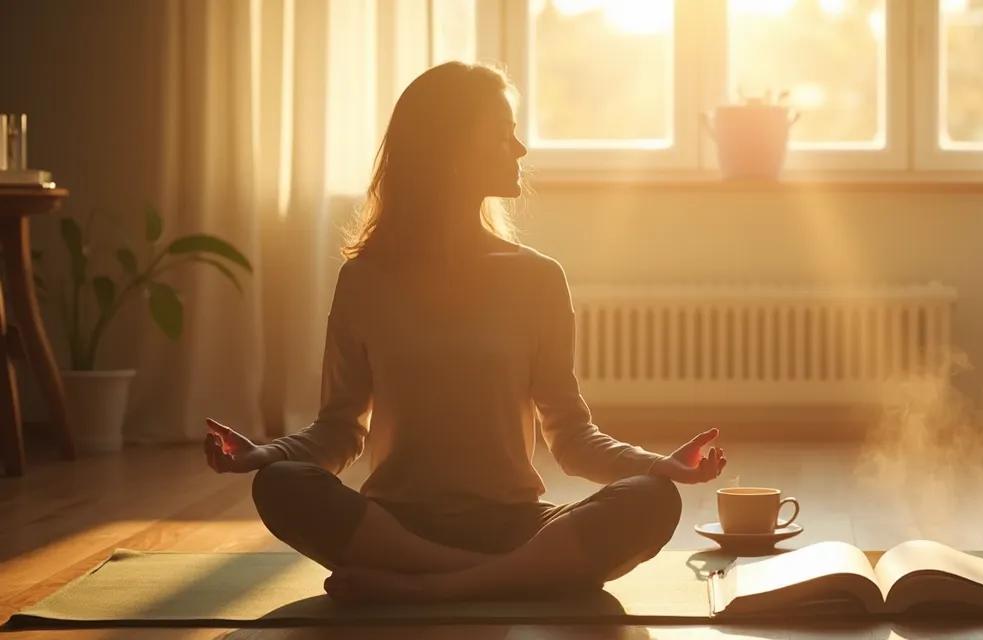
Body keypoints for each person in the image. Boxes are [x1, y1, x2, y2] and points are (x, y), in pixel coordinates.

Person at [202, 61, 726, 604]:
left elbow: (570, 437)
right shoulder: (364, 280)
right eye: (503, 135)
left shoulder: (537, 278)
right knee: (281, 485)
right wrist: (266, 455)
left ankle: (433, 588)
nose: (520, 149)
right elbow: (338, 430)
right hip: (395, 530)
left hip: (512, 523)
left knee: (652, 498)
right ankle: (498, 578)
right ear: (448, 150)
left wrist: (655, 465)